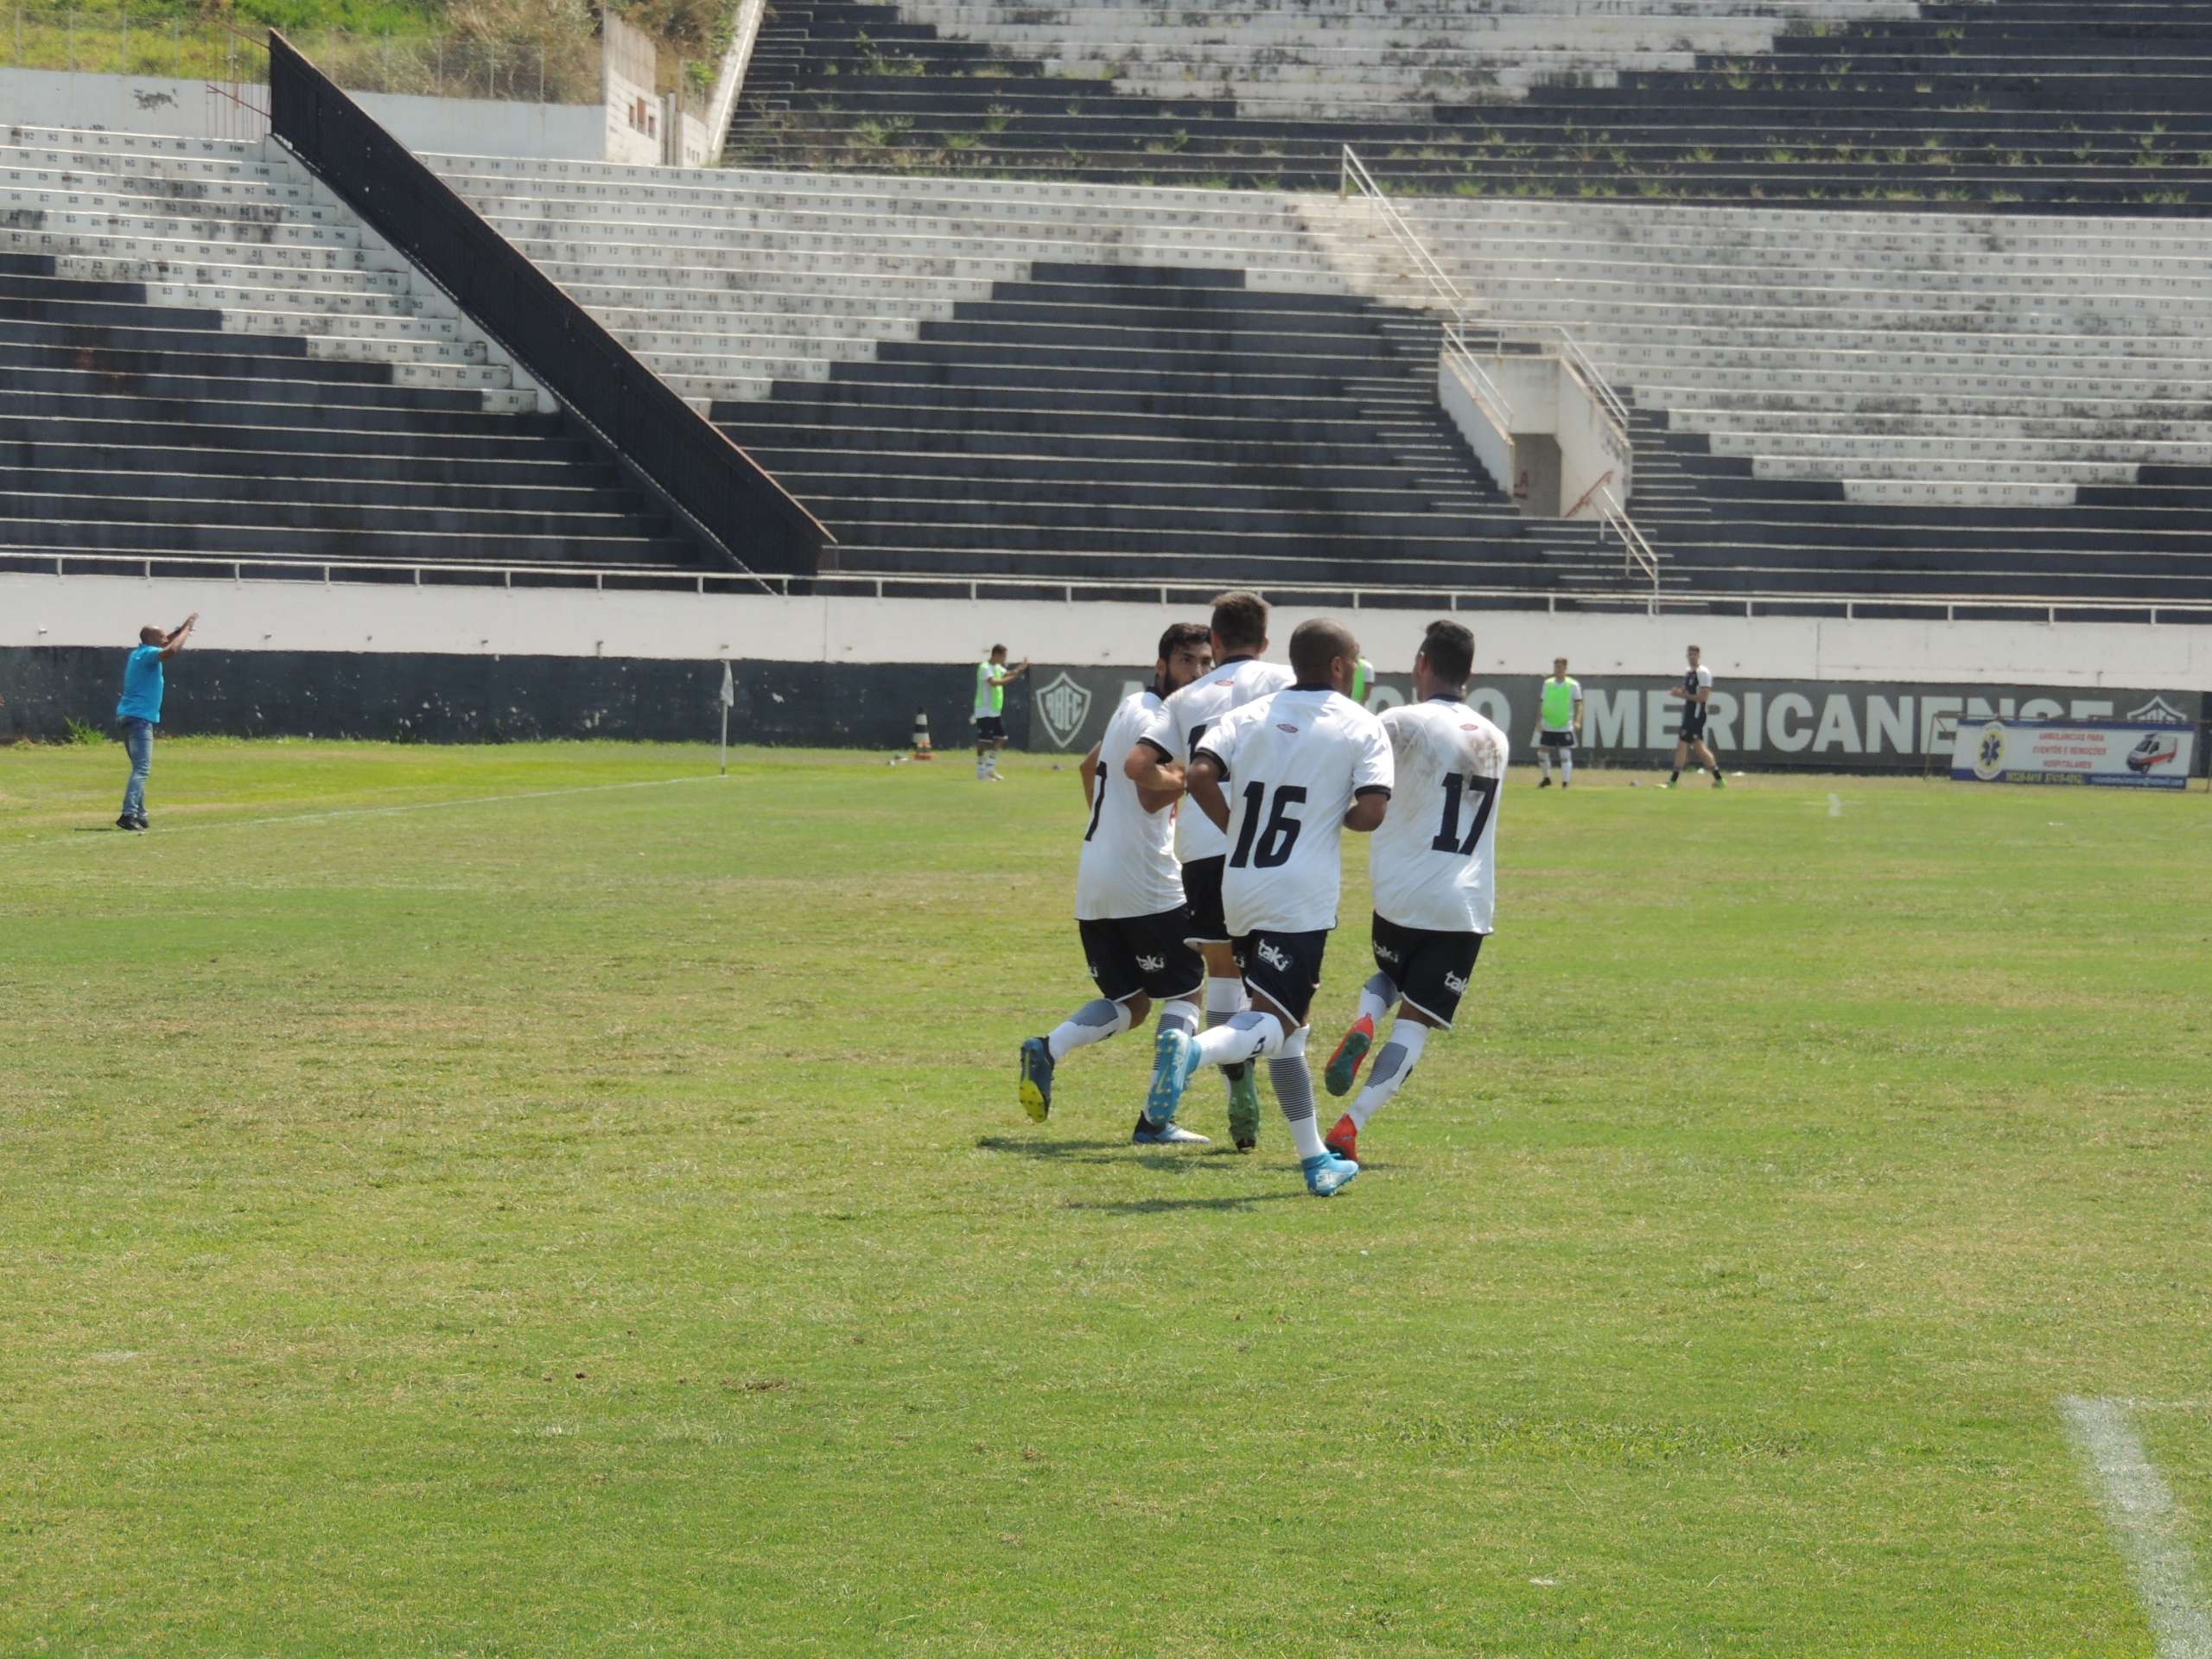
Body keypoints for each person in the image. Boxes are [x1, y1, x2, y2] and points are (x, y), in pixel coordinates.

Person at [1141, 618, 1393, 1198]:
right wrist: (1333, 819)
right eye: (1353, 663)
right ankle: (1193, 1050)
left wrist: (1236, 827)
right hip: (1298, 893)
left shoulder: (1246, 715)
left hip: (1241, 883)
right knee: (1275, 1024)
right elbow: (1373, 810)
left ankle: (1314, 1162)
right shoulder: (1359, 723)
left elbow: (1200, 773)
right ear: (1337, 666)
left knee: (1291, 1034)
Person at [1018, 623, 1216, 1146]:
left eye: (1205, 663)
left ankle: (1047, 1048)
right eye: (1186, 662)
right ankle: (1156, 1120)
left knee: (1132, 1004)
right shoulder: (1166, 720)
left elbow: (1089, 767)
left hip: (1095, 876)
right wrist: (1193, 779)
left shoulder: (1130, 707)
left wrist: (1111, 833)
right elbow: (1151, 795)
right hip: (1146, 880)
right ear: (1162, 665)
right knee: (1186, 993)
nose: (1197, 673)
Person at [1321, 620, 1506, 1163]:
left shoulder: (1396, 722)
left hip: (1397, 895)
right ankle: (1350, 1126)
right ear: (1469, 673)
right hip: (1462, 903)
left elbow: (1356, 780)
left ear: (1422, 663)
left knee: (1389, 974)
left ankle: (1365, 1017)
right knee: (1419, 1018)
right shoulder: (1496, 738)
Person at [1120, 589, 1294, 1151]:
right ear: (1265, 642)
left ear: (1215, 643)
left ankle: (1235, 1089)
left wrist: (1174, 788)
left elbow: (1138, 767)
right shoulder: (1289, 682)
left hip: (1202, 847)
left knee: (1221, 970)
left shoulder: (1187, 698)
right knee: (1276, 989)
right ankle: (1269, 1102)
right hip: (1273, 846)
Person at [113, 612, 197, 831]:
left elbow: (166, 642)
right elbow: (171, 650)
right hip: (140, 719)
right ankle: (128, 814)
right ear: (152, 641)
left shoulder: (138, 653)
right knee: (142, 768)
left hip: (127, 716)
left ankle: (140, 814)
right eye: (161, 636)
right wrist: (187, 630)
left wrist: (179, 630)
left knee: (137, 768)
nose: (165, 639)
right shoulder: (152, 653)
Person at [1664, 645, 1724, 788]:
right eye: (1689, 655)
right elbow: (1685, 690)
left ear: (1698, 656)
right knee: (1699, 748)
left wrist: (1682, 695)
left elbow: (1703, 697)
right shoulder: (1689, 672)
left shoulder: (1703, 673)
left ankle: (1673, 781)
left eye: (1694, 655)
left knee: (1682, 745)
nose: (1691, 657)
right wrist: (1677, 692)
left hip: (1696, 715)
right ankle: (1719, 780)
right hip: (1689, 713)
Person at [973, 645, 1031, 780]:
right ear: (996, 655)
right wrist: (1012, 678)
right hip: (984, 710)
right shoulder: (985, 668)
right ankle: (981, 770)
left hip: (994, 710)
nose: (1005, 659)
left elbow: (1008, 673)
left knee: (1002, 738)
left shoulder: (997, 667)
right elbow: (994, 682)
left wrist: (1020, 669)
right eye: (1004, 656)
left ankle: (990, 767)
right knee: (985, 742)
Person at [1535, 656, 1581, 788]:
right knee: (1542, 752)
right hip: (1548, 724)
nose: (1558, 669)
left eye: (1560, 667)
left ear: (1565, 668)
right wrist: (1538, 721)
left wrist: (1577, 721)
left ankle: (1565, 783)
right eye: (1556, 667)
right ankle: (1546, 778)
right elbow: (1541, 702)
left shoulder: (1573, 685)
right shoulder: (1548, 683)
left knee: (1564, 754)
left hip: (1564, 725)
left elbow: (1579, 704)